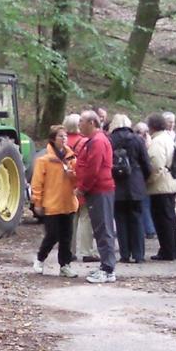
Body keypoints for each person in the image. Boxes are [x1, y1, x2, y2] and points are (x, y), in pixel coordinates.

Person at [74, 110, 117, 283]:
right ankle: (105, 266)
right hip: (97, 190)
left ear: (92, 123)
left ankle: (108, 269)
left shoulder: (98, 142)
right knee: (100, 229)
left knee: (104, 228)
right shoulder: (93, 141)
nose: (79, 125)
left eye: (82, 121)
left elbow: (93, 168)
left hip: (100, 190)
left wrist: (82, 188)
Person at [31, 126, 79, 277]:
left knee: (67, 236)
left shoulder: (72, 158)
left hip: (68, 202)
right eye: (60, 136)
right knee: (52, 235)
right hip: (51, 203)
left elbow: (78, 180)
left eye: (65, 136)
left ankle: (65, 265)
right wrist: (37, 202)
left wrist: (73, 175)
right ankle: (40, 258)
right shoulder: (44, 160)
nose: (64, 139)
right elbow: (37, 183)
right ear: (53, 139)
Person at [109, 114, 151, 264]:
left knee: (120, 220)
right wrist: (142, 179)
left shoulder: (110, 140)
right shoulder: (137, 140)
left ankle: (125, 254)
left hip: (116, 185)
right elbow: (146, 163)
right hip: (135, 184)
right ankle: (139, 254)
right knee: (137, 218)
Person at [145, 113, 176, 260]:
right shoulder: (167, 138)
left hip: (161, 186)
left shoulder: (157, 142)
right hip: (170, 182)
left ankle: (167, 250)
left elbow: (156, 165)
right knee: (170, 218)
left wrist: (148, 181)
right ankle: (173, 249)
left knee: (162, 220)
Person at [64, 113, 96, 261]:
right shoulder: (84, 142)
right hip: (79, 182)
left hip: (65, 184)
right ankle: (86, 250)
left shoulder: (60, 142)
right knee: (85, 217)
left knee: (71, 219)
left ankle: (69, 250)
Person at [133, 121, 157, 239]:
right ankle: (149, 228)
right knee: (145, 204)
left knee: (146, 204)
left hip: (146, 177)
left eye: (146, 132)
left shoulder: (149, 143)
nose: (144, 135)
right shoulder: (139, 143)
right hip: (142, 178)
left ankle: (149, 228)